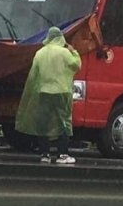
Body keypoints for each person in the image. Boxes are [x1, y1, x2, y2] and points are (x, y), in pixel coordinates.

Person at [15, 27, 82, 164]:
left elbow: (34, 75)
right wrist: (73, 51)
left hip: (43, 92)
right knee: (63, 123)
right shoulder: (64, 53)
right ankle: (62, 155)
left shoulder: (40, 53)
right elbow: (77, 65)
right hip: (62, 92)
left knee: (43, 123)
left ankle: (44, 154)